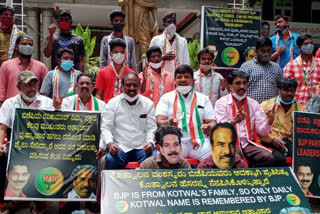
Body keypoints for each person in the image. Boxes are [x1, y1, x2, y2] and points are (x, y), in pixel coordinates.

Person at [0, 71, 52, 214]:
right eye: (27, 85)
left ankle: (37, 201)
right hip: (17, 145)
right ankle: (9, 200)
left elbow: (55, 126)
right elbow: (2, 127)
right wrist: (0, 144)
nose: (32, 88)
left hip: (40, 145)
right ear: (18, 87)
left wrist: (58, 109)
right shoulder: (10, 103)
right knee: (1, 157)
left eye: (34, 84)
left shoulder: (47, 102)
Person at [215, 70, 276, 167]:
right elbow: (221, 131)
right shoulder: (221, 103)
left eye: (244, 83)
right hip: (229, 143)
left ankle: (259, 181)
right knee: (237, 162)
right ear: (230, 87)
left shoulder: (253, 104)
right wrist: (234, 121)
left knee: (268, 157)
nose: (242, 87)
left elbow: (262, 131)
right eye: (238, 83)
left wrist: (269, 121)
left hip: (248, 143)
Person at [156, 64, 216, 161]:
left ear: (193, 81)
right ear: (174, 81)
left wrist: (209, 127)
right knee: (164, 161)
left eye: (187, 77)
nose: (183, 80)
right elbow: (159, 121)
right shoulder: (166, 98)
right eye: (179, 77)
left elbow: (212, 122)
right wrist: (168, 123)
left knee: (215, 160)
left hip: (199, 142)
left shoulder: (203, 98)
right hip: (175, 143)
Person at [98, 73, 157, 169]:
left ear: (139, 86)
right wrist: (110, 144)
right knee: (111, 159)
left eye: (135, 85)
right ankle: (116, 185)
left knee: (154, 158)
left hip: (142, 147)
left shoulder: (148, 104)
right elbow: (106, 127)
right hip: (120, 147)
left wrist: (150, 142)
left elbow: (151, 128)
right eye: (128, 85)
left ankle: (148, 184)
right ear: (122, 87)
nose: (132, 88)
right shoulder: (112, 103)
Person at [260, 78, 305, 166]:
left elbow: (304, 133)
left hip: (291, 142)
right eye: (286, 90)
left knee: (302, 156)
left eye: (292, 91)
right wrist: (272, 140)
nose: (289, 93)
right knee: (278, 159)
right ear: (279, 90)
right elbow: (259, 130)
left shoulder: (301, 109)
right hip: (271, 141)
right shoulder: (266, 106)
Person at [0, 35, 47, 107]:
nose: (27, 46)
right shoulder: (6, 65)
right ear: (16, 47)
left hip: (34, 110)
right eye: (24, 44)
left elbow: (45, 91)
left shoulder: (41, 67)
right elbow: (1, 90)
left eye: (30, 45)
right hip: (12, 108)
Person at [240, 37, 282, 104]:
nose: (266, 54)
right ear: (256, 52)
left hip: (271, 110)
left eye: (268, 51)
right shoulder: (246, 67)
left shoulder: (277, 68)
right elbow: (240, 89)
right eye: (262, 51)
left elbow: (280, 89)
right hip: (251, 109)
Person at [283, 34, 320, 106]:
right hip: (297, 105)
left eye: (311, 43)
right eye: (306, 44)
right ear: (299, 47)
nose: (309, 45)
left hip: (316, 106)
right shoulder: (290, 66)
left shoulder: (319, 63)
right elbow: (286, 88)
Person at [95, 38, 135, 104]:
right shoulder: (102, 72)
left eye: (122, 52)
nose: (119, 55)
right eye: (116, 52)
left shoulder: (131, 73)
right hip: (108, 108)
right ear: (111, 53)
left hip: (126, 109)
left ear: (125, 54)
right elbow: (98, 94)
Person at [150, 12, 190, 76]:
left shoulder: (183, 41)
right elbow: (150, 60)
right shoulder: (156, 40)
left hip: (178, 77)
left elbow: (186, 62)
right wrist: (162, 57)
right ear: (164, 25)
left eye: (173, 22)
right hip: (160, 77)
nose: (172, 25)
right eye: (169, 22)